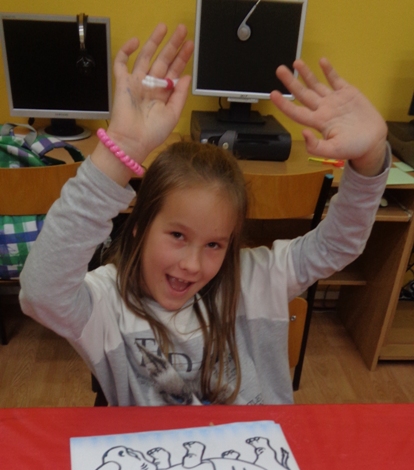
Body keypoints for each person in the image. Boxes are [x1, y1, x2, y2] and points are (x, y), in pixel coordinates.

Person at [19, 24, 390, 406]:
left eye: (214, 244)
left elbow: (337, 244)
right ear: (138, 229)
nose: (192, 264)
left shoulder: (256, 280)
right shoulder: (107, 303)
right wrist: (119, 151)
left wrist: (370, 158)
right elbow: (41, 293)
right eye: (177, 236)